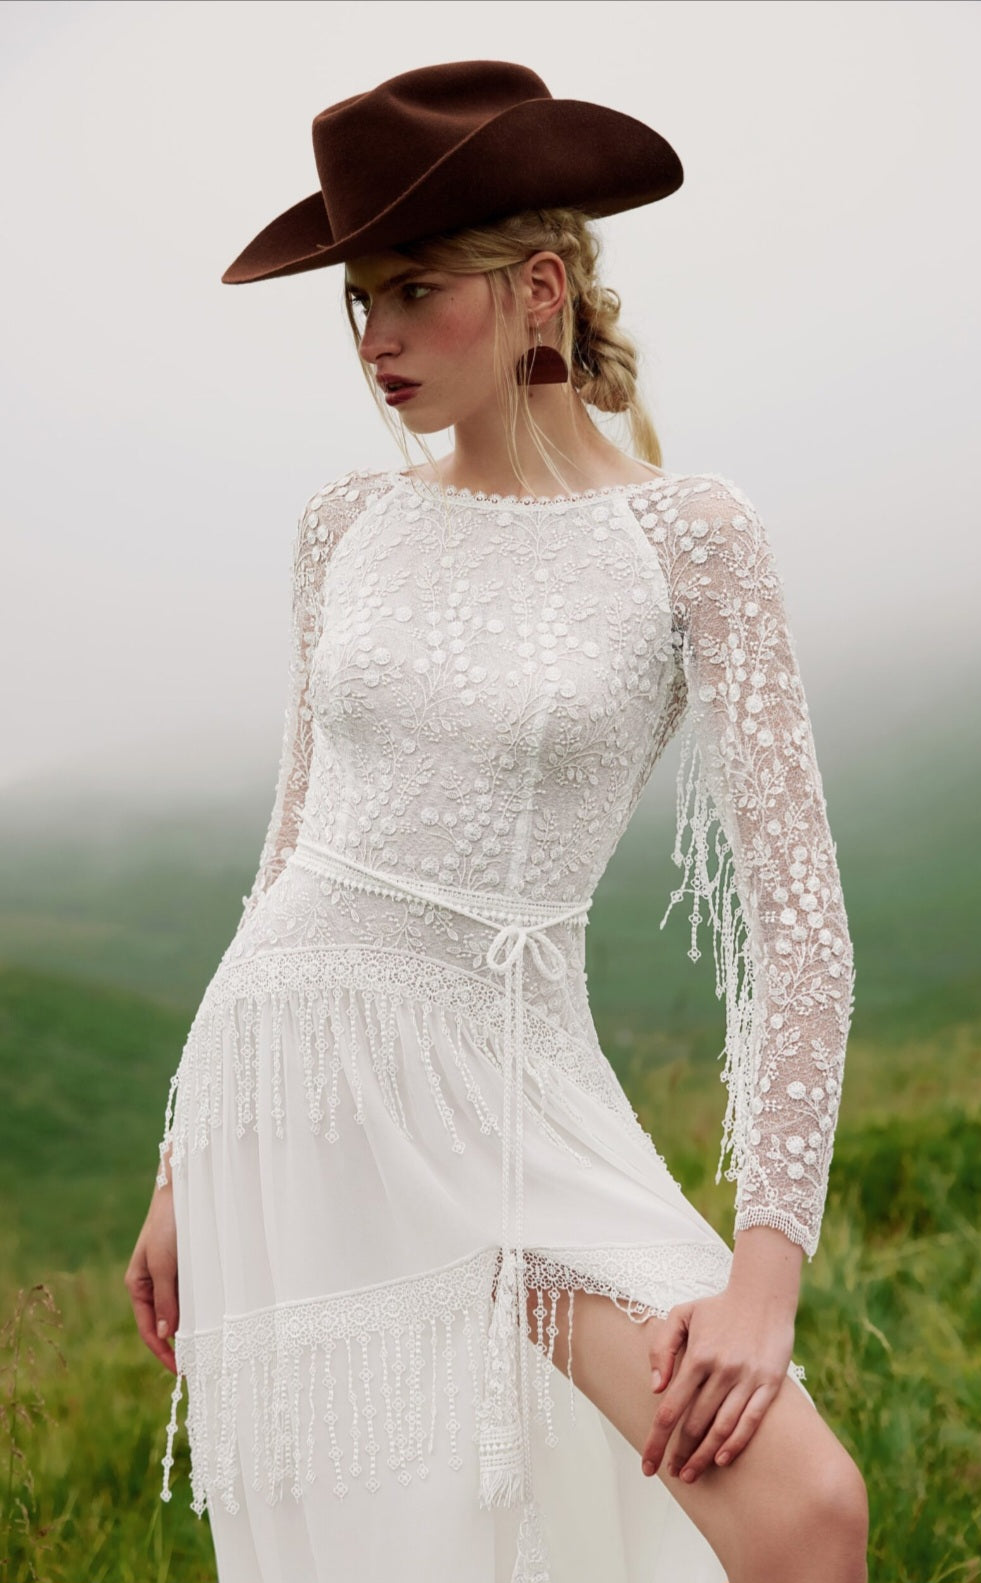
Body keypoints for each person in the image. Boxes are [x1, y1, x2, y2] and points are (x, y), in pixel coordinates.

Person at [125, 60, 868, 1583]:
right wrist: (185, 1161)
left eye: (414, 291)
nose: (374, 341)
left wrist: (765, 1273)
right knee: (415, 1541)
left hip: (516, 1094)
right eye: (359, 302)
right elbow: (296, 847)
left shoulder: (689, 538)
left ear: (540, 289)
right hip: (296, 1084)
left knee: (803, 1514)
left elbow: (798, 930)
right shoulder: (347, 525)